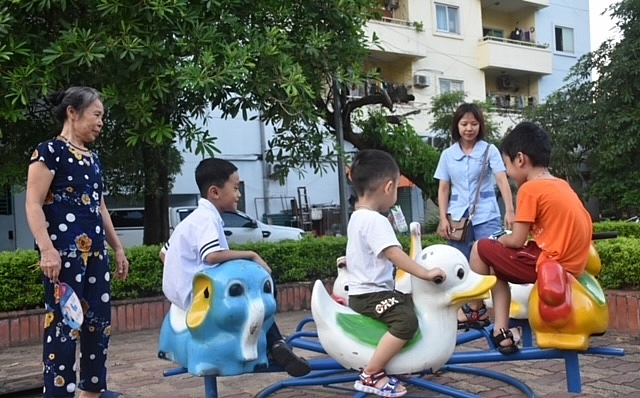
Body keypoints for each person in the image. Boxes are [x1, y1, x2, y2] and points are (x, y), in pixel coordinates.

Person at [161, 157, 311, 377]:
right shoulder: (207, 219)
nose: (239, 194)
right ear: (215, 192)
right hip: (202, 296)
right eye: (235, 188)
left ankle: (275, 343)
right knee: (262, 285)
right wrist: (251, 255)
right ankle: (276, 344)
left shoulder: (193, 219)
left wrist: (183, 276)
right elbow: (212, 255)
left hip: (186, 295)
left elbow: (163, 253)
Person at [25, 87, 129, 398]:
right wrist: (47, 250)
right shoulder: (48, 152)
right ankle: (59, 394)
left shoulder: (93, 159)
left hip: (96, 255)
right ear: (73, 112)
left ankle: (91, 392)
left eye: (102, 117)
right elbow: (32, 203)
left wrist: (118, 248)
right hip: (64, 257)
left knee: (98, 325)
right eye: (96, 115)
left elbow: (99, 206)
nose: (101, 122)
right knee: (64, 328)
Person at [465, 122, 592, 355]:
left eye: (506, 165)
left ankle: (474, 309)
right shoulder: (560, 184)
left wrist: (499, 241)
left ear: (520, 159)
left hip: (551, 266)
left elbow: (515, 241)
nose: (508, 172)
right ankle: (502, 331)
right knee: (497, 266)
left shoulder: (530, 189)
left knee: (481, 247)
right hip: (569, 264)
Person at [347, 149, 446, 397]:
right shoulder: (375, 220)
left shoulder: (358, 217)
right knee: (406, 320)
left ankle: (397, 362)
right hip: (371, 296)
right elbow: (394, 254)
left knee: (409, 305)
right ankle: (372, 374)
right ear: (389, 186)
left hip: (367, 293)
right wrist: (425, 273)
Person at [433, 103, 515, 329]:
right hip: (458, 218)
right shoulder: (448, 155)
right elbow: (443, 188)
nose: (469, 128)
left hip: (487, 215)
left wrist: (510, 209)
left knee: (493, 264)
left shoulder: (490, 150)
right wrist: (443, 217)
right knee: (459, 265)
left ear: (480, 126)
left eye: (474, 124)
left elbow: (501, 179)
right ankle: (468, 311)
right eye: (464, 124)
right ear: (456, 126)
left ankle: (481, 310)